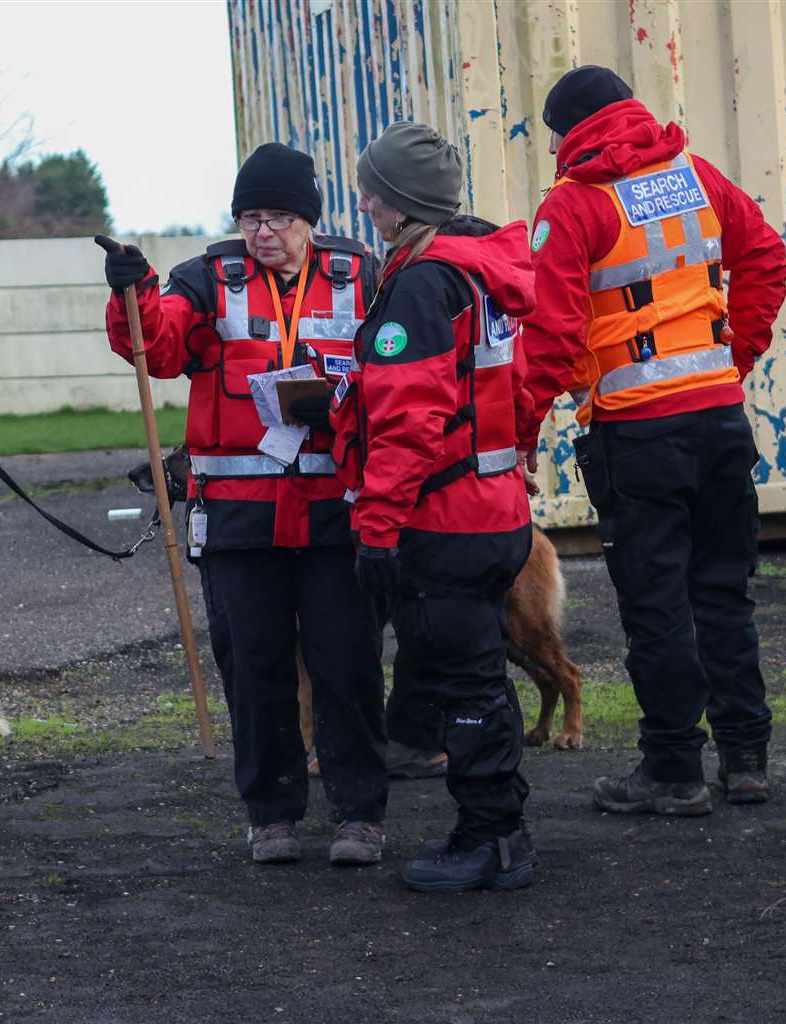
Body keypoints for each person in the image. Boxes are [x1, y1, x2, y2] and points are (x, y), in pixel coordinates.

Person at [96, 143, 390, 867]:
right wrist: (131, 294)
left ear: (311, 221)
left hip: (333, 512)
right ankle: (271, 815)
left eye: (280, 217)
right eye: (252, 217)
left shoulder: (364, 277)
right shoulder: (206, 278)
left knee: (345, 666)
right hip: (236, 516)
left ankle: (360, 816)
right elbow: (155, 348)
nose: (264, 232)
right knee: (253, 668)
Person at [519, 66, 786, 815]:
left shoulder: (573, 205)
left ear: (568, 131)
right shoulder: (696, 176)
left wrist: (519, 432)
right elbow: (766, 256)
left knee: (658, 604)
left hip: (638, 433)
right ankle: (746, 759)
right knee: (723, 595)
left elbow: (549, 334)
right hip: (718, 420)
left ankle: (672, 771)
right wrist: (733, 359)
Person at [333, 122, 540, 892]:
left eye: (372, 192)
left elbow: (408, 418)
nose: (363, 203)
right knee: (481, 679)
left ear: (395, 204)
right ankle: (499, 827)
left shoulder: (422, 283)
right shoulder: (482, 271)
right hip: (495, 511)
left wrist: (377, 529)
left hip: (446, 522)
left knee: (465, 689)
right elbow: (513, 391)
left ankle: (491, 838)